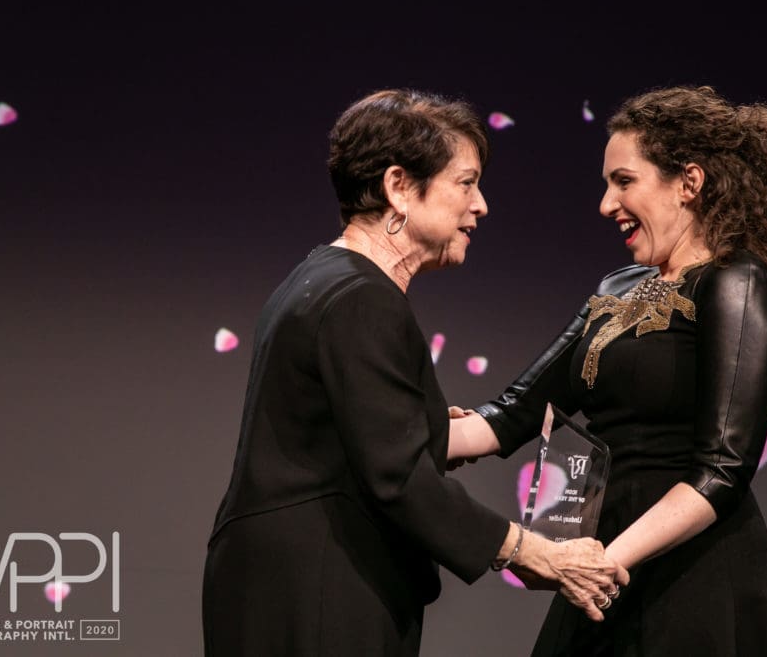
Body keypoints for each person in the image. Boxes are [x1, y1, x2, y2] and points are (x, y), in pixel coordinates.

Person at [202, 89, 628, 657]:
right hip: (321, 587)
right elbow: (397, 476)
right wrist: (533, 551)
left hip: (282, 580)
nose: (481, 206)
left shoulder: (319, 278)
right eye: (466, 183)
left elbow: (348, 437)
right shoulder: (362, 299)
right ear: (399, 186)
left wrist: (428, 429)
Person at [449, 85, 767, 655]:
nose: (606, 204)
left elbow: (723, 469)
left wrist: (604, 563)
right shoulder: (616, 287)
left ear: (689, 183)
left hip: (689, 574)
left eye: (623, 181)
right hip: (601, 565)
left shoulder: (738, 281)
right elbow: (513, 413)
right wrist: (402, 436)